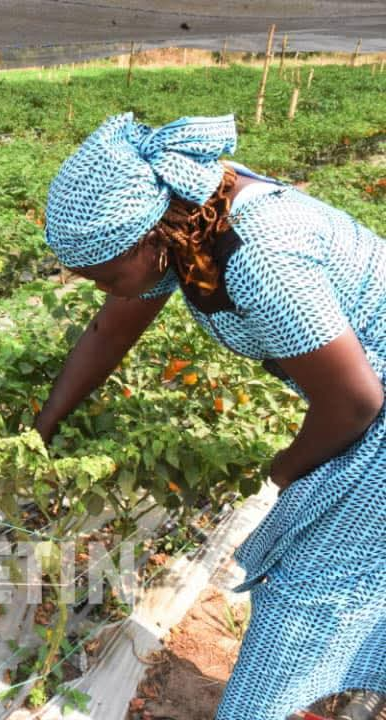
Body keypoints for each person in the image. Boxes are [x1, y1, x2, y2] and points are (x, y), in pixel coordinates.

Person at [36, 113, 385, 719]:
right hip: (366, 403)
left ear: (146, 240)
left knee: (307, 598)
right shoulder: (186, 222)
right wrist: (43, 427)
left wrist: (284, 469)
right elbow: (109, 330)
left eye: (106, 274)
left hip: (371, 413)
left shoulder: (259, 255)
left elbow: (354, 402)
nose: (103, 290)